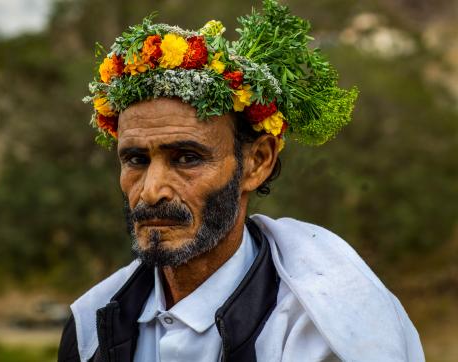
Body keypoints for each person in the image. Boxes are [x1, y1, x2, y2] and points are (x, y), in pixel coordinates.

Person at [58, 1, 424, 361]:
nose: (152, 190)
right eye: (136, 160)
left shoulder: (319, 331)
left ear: (257, 162)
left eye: (187, 158)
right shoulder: (91, 327)